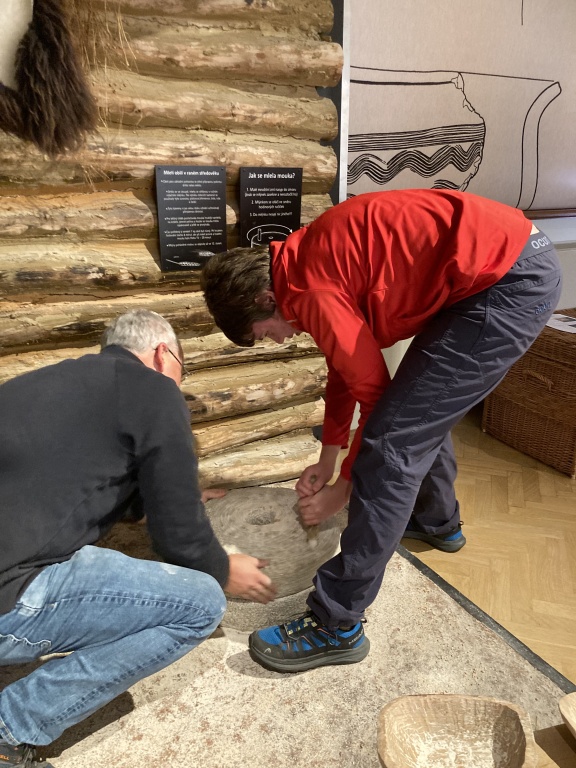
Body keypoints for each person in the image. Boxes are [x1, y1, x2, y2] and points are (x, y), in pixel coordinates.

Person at [201, 189, 563, 673]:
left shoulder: (310, 289)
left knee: (392, 446)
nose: (279, 340)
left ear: (264, 299)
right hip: (503, 265)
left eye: (265, 333)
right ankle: (436, 522)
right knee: (420, 406)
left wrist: (342, 489)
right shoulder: (301, 264)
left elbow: (373, 400)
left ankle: (336, 623)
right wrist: (328, 457)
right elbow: (346, 365)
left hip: (506, 282)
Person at [0, 309, 276, 767]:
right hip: (7, 600)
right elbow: (180, 539)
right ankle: (11, 724)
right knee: (201, 603)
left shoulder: (41, 383)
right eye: (182, 371)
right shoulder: (155, 389)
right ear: (164, 354)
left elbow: (81, 480)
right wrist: (224, 568)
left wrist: (173, 495)